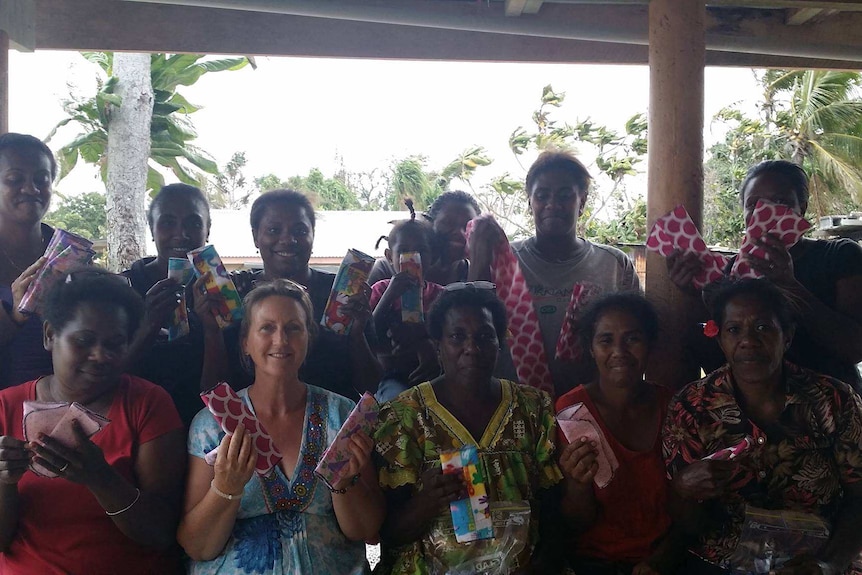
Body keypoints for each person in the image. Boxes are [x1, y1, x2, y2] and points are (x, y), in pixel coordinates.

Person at [179, 279, 384, 574]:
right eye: (267, 328)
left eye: (293, 328)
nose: (281, 340)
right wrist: (226, 487)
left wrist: (343, 483)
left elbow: (364, 531)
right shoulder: (212, 424)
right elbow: (198, 547)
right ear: (245, 342)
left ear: (308, 338)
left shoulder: (342, 415)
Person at [664, 278, 862, 575]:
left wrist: (829, 564)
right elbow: (689, 525)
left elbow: (859, 500)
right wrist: (683, 489)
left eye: (763, 328)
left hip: (816, 560)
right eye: (734, 330)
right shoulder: (691, 406)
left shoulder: (834, 401)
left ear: (788, 337)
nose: (748, 341)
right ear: (720, 341)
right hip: (721, 562)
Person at [0, 269, 186, 574]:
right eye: (84, 341)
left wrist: (100, 479)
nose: (100, 355)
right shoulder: (6, 407)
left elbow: (161, 533)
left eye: (115, 344)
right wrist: (5, 483)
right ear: (49, 335)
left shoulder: (148, 404)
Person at [374, 284, 563, 574]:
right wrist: (426, 502)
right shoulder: (405, 416)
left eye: (485, 336)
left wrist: (540, 564)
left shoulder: (532, 408)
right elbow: (387, 534)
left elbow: (553, 511)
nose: (472, 348)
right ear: (437, 344)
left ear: (500, 342)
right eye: (457, 336)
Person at [667, 160, 862, 389]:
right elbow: (723, 352)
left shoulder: (839, 256)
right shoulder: (730, 272)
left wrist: (789, 285)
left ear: (803, 208)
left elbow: (855, 349)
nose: (764, 211)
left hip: (832, 412)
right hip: (753, 418)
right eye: (753, 204)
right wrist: (694, 294)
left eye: (781, 202)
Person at [469, 150, 639, 396]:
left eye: (565, 195)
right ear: (530, 202)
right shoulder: (503, 262)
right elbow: (471, 323)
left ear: (582, 201)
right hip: (513, 409)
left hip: (592, 411)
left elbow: (637, 337)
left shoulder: (613, 264)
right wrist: (478, 261)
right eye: (542, 195)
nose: (552, 205)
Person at [201, 189, 379, 400]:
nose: (288, 239)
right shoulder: (234, 295)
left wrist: (357, 334)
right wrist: (212, 331)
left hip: (334, 426)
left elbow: (371, 386)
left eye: (300, 231)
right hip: (251, 427)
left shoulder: (343, 297)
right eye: (274, 230)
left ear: (313, 234)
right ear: (255, 236)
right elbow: (215, 391)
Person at [555, 293, 673, 575]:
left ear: (650, 345)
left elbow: (687, 511)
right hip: (594, 562)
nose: (619, 351)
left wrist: (658, 563)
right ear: (591, 349)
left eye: (632, 339)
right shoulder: (573, 411)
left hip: (664, 557)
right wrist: (577, 484)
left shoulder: (673, 406)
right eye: (606, 340)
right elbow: (576, 523)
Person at [123, 183, 211, 426]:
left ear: (208, 229)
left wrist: (211, 327)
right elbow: (106, 375)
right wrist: (148, 325)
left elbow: (226, 386)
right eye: (168, 222)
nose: (181, 234)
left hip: (204, 427)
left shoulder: (221, 290)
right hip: (138, 424)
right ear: (152, 229)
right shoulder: (124, 288)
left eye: (193, 223)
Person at [370, 200, 445, 403]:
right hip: (392, 374)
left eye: (421, 251)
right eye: (403, 251)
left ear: (434, 256)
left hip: (434, 374)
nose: (412, 257)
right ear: (388, 256)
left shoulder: (442, 296)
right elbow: (369, 332)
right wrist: (390, 295)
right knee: (393, 403)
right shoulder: (380, 290)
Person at [0, 133, 57, 389]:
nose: (31, 189)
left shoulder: (69, 253)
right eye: (15, 179)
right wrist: (14, 316)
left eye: (41, 180)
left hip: (64, 412)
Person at [424, 190, 481, 285]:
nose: (460, 233)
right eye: (448, 223)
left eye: (468, 226)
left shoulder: (485, 273)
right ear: (430, 223)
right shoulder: (408, 268)